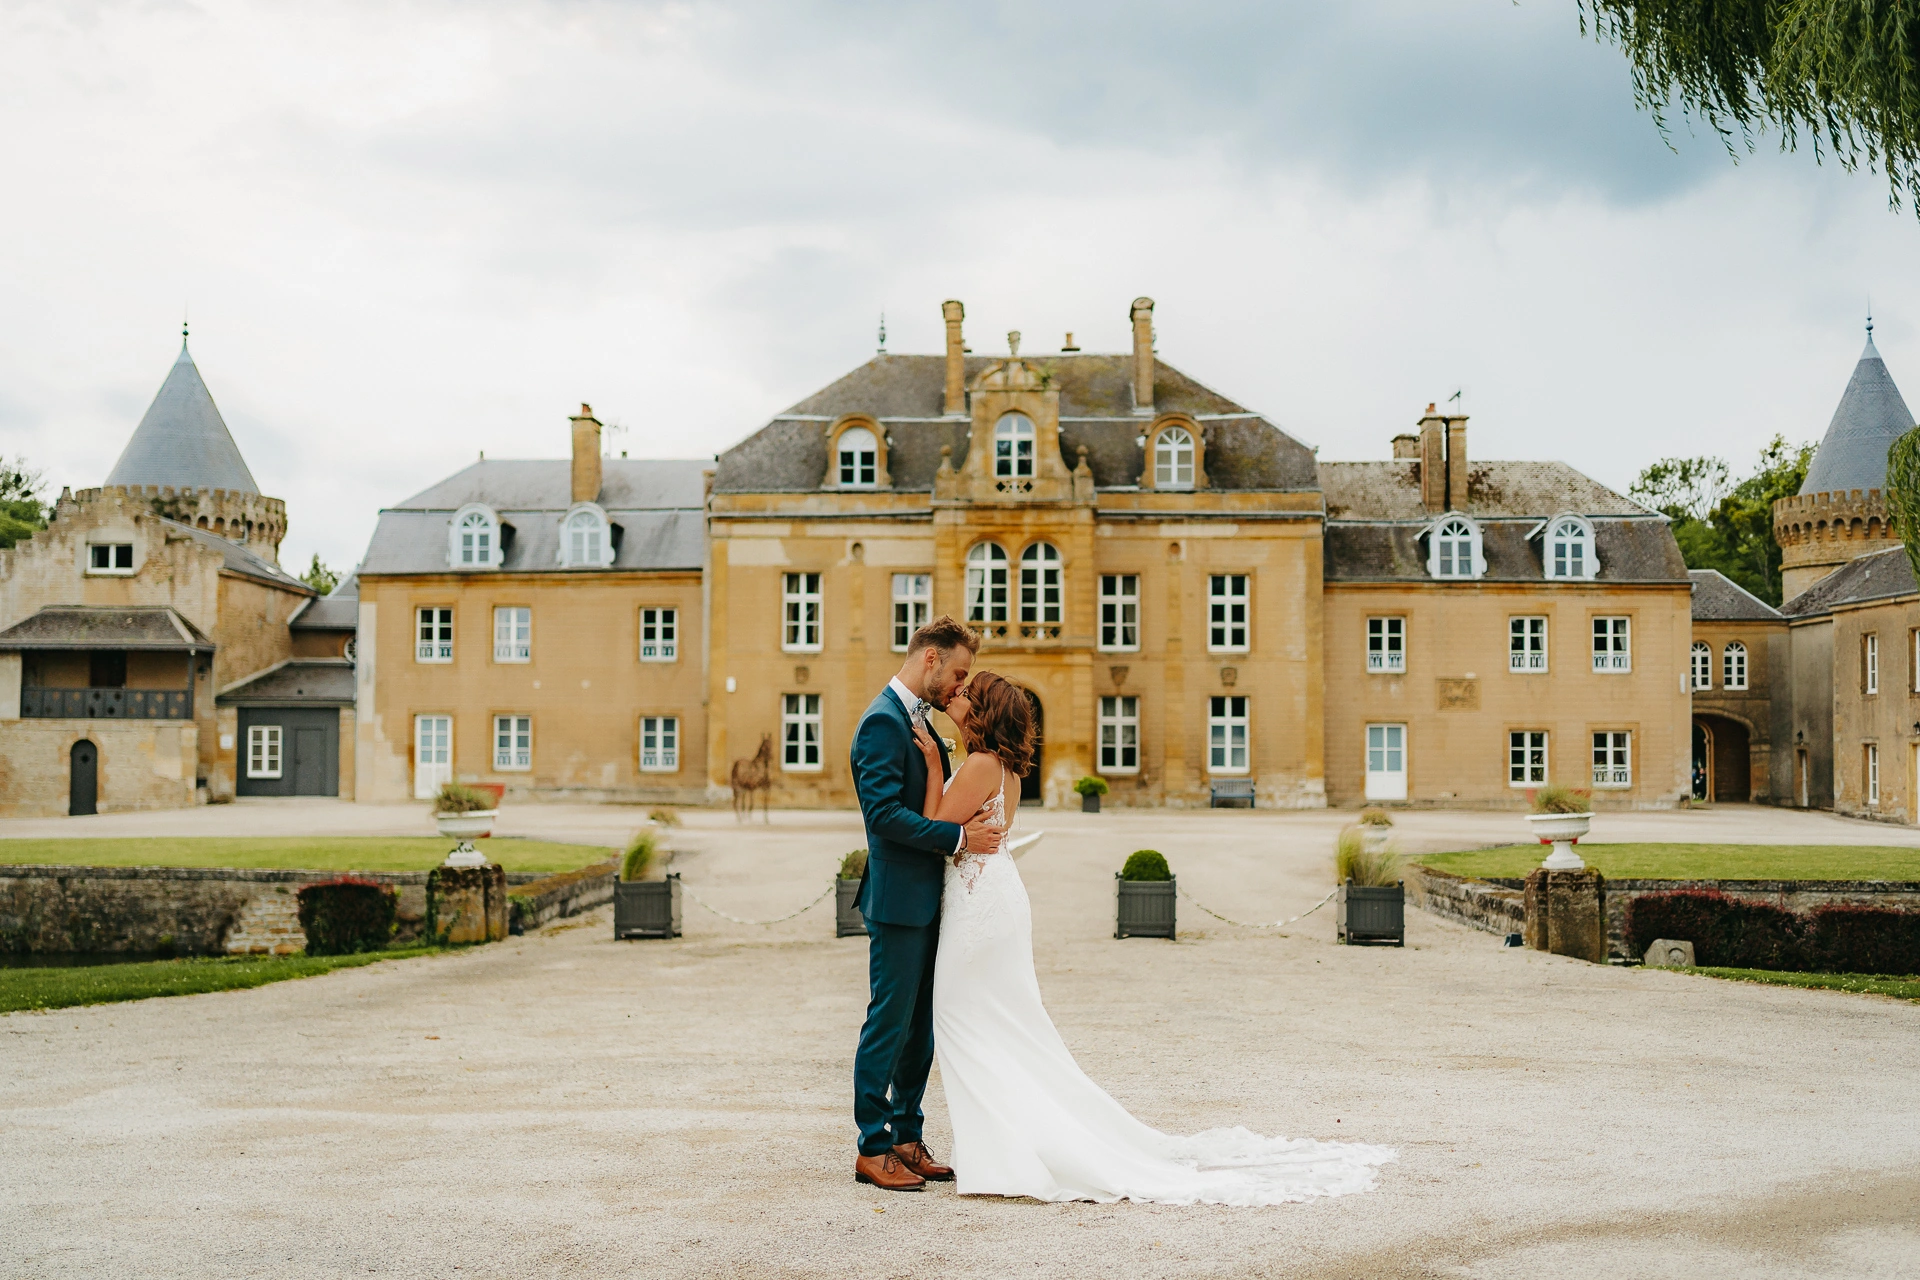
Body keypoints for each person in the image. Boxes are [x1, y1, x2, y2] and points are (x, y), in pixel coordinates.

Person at [907, 670, 1397, 1205]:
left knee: (960, 1018)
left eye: (966, 695)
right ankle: (1009, 1148)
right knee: (1004, 1025)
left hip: (980, 903)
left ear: (981, 714)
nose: (955, 696)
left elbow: (933, 830)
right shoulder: (1006, 771)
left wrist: (933, 766)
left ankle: (1005, 1154)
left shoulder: (979, 765)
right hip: (995, 897)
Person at [848, 616, 1004, 1191]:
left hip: (931, 897)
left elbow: (934, 798)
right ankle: (873, 1145)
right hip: (897, 901)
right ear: (930, 659)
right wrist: (960, 839)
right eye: (958, 674)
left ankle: (908, 1136)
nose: (961, 687)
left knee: (922, 1030)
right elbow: (883, 818)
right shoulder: (880, 723)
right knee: (888, 1024)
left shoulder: (923, 720)